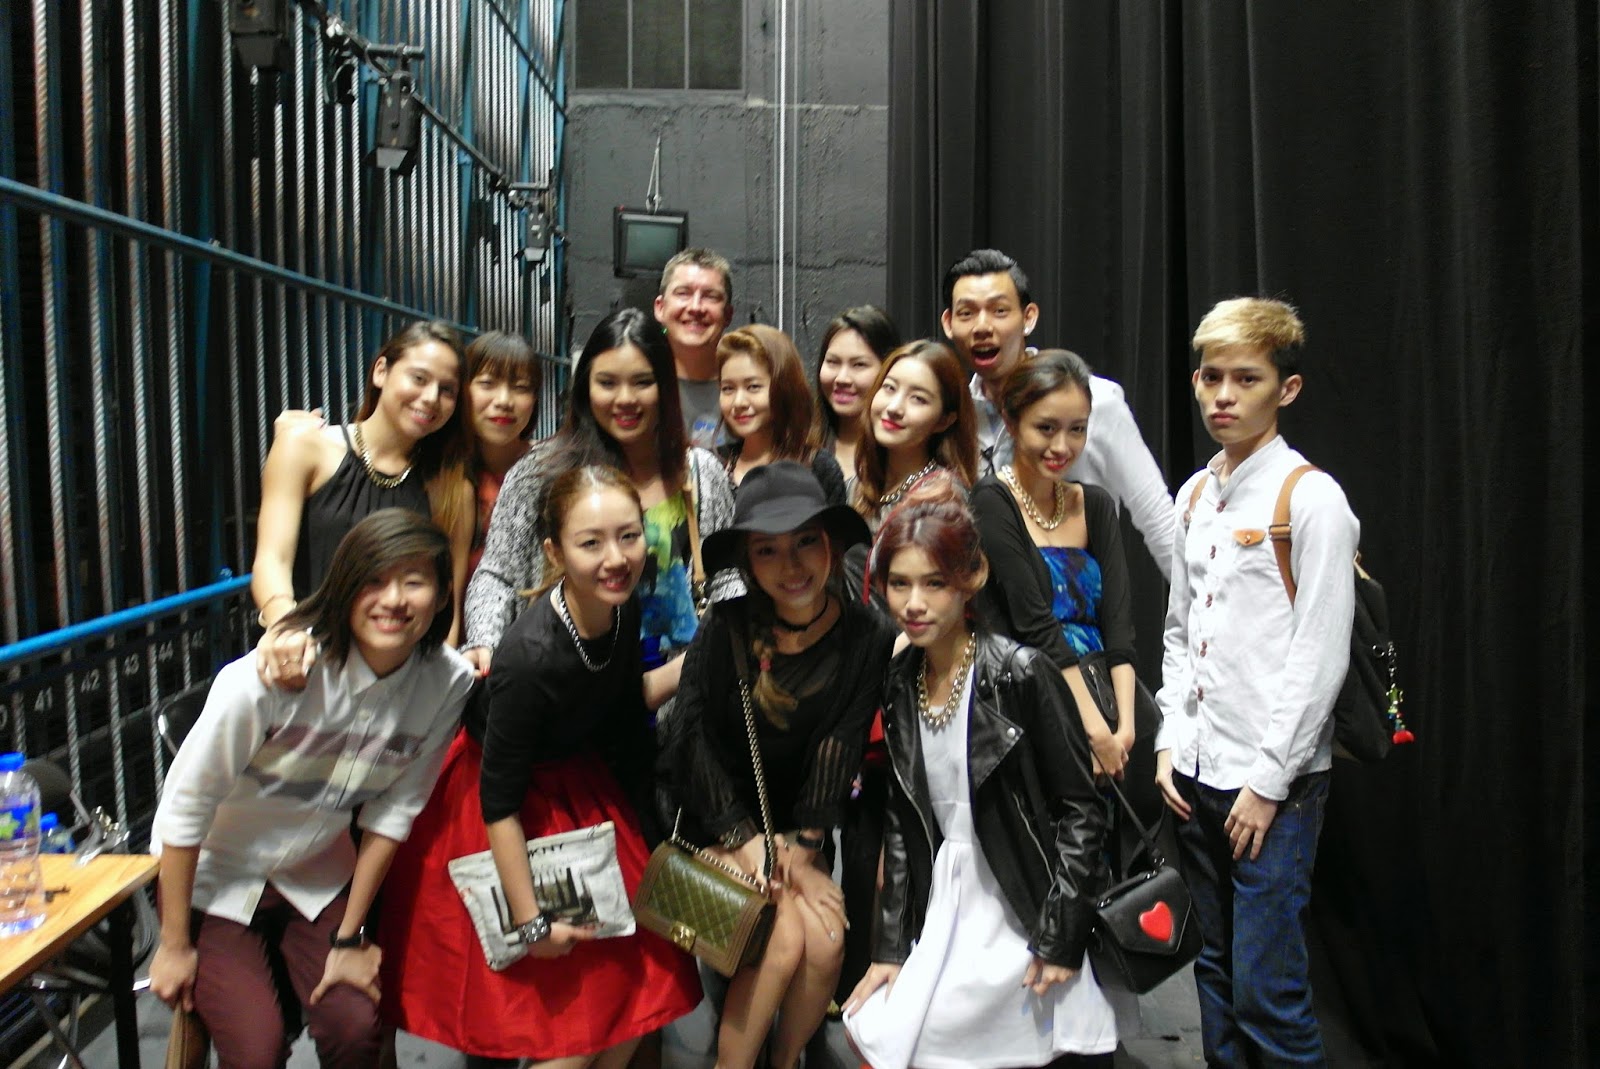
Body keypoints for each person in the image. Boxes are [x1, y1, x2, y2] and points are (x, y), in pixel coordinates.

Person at [381, 466, 700, 1066]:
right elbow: (498, 803)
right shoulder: (527, 659)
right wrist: (530, 923)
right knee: (575, 1022)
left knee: (637, 997)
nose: (616, 558)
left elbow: (617, 706)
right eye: (591, 542)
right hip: (502, 808)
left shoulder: (622, 609)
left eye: (629, 536)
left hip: (578, 784)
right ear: (554, 552)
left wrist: (697, 662)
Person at [148, 509, 477, 1069]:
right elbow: (185, 808)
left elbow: (393, 814)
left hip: (317, 878)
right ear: (344, 587)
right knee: (256, 1049)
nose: (394, 600)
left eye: (414, 582)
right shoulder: (272, 677)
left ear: (445, 594)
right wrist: (174, 944)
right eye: (374, 580)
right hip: (217, 879)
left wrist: (349, 939)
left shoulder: (447, 683)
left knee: (355, 1028)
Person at [843, 493, 1116, 1069]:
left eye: (934, 583)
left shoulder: (1020, 672)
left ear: (972, 579)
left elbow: (1082, 808)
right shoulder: (900, 679)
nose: (914, 603)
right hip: (947, 904)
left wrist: (1062, 932)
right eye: (899, 584)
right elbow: (900, 821)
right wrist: (889, 948)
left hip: (1024, 898)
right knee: (897, 1035)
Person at [1154, 297, 1358, 1067]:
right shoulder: (1195, 494)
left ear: (1287, 388)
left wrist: (1270, 783)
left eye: (1246, 378)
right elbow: (1180, 632)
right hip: (1198, 772)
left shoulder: (1311, 498)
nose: (1223, 395)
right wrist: (1171, 739)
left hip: (1274, 784)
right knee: (1213, 968)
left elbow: (1320, 656)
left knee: (1267, 991)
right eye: (1211, 377)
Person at [673, 462, 899, 1069]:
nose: (791, 565)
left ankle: (784, 1060)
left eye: (804, 541)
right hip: (718, 828)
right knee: (781, 938)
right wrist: (749, 844)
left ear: (830, 545)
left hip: (799, 832)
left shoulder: (867, 635)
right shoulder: (725, 626)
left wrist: (803, 851)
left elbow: (840, 744)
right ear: (748, 562)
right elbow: (688, 741)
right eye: (767, 550)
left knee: (825, 941)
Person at [463, 307, 740, 679]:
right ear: (586, 387)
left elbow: (726, 580)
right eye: (607, 383)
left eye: (642, 382)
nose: (625, 398)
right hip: (561, 691)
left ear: (665, 387)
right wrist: (485, 640)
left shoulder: (701, 474)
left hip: (678, 694)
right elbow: (497, 573)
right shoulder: (540, 472)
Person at [969, 349, 1145, 795]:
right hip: (1033, 708)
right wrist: (1094, 730)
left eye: (1077, 429)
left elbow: (1118, 626)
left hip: (1105, 704)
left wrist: (1124, 727)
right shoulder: (992, 500)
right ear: (1011, 422)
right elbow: (1035, 626)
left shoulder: (1095, 504)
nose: (1062, 446)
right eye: (1046, 428)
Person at [252, 321, 474, 674]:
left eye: (447, 390)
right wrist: (284, 626)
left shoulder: (450, 489)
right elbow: (272, 558)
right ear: (381, 371)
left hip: (399, 672)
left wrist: (435, 685)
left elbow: (447, 604)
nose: (431, 397)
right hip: (305, 658)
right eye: (419, 378)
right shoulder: (305, 447)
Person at [941, 249, 1175, 576]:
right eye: (967, 313)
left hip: (1077, 597)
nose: (982, 326)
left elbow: (1157, 516)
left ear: (1028, 317)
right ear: (949, 323)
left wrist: (1196, 605)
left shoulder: (1096, 401)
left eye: (999, 310)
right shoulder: (953, 415)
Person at [853, 339, 978, 530]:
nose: (894, 408)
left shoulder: (942, 499)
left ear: (944, 421)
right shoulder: (859, 483)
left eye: (918, 399)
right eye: (889, 388)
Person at [717, 323, 846, 503]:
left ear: (784, 388)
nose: (738, 402)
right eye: (728, 388)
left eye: (753, 387)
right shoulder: (716, 464)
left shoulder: (818, 467)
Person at [462, 331, 542, 578]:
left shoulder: (550, 470)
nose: (504, 401)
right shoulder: (441, 473)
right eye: (487, 384)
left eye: (521, 388)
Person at [810, 306, 902, 501]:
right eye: (833, 362)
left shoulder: (904, 457)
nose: (842, 378)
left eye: (859, 365)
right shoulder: (800, 446)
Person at [655, 248, 736, 449]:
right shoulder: (638, 385)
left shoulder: (752, 391)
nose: (696, 307)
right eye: (683, 293)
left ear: (728, 314)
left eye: (711, 296)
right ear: (660, 308)